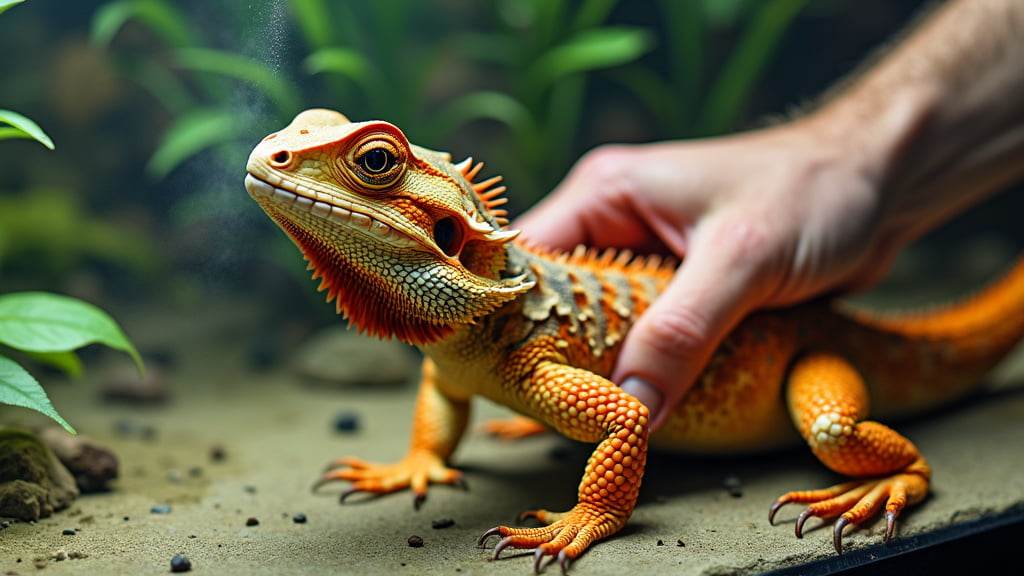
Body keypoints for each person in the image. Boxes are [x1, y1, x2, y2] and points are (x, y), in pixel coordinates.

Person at [515, 0, 1024, 431]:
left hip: (808, 356)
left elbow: (621, 421)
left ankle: (904, 474)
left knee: (833, 431)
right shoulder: (482, 337)